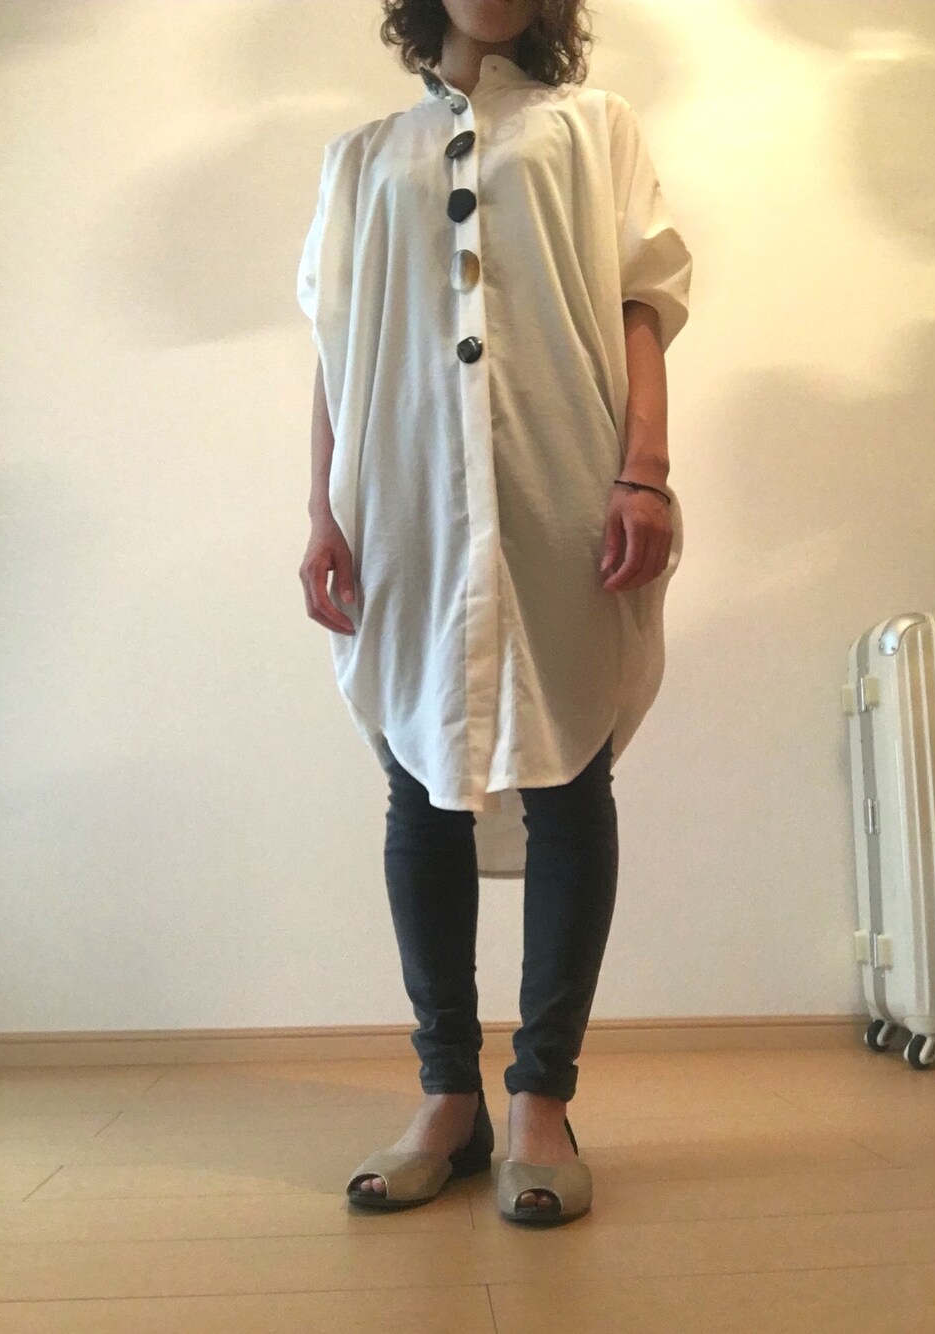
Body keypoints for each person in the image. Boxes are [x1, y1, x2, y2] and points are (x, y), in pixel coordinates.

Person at [296, 0, 692, 1225]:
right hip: (406, 498)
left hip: (559, 485)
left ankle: (540, 1102)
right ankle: (447, 1099)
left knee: (570, 771)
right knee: (420, 780)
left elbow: (639, 303)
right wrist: (321, 512)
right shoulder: (362, 158)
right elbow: (335, 350)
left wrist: (644, 470)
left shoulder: (593, 127)